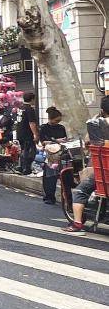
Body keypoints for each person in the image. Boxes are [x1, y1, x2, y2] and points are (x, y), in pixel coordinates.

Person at [66, 95, 109, 234]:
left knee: (80, 191)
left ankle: (77, 223)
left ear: (102, 110)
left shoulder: (97, 124)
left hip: (105, 173)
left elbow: (87, 142)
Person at [38, 107, 68, 206]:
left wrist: (64, 141)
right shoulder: (44, 128)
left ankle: (66, 198)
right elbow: (43, 142)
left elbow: (65, 138)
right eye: (56, 120)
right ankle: (49, 197)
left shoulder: (61, 127)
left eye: (59, 120)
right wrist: (55, 140)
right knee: (50, 176)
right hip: (50, 154)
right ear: (50, 119)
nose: (58, 122)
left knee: (64, 175)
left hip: (61, 153)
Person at [17, 91, 40, 174]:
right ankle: (26, 169)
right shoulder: (30, 109)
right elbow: (32, 123)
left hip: (20, 133)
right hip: (27, 133)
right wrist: (35, 134)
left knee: (23, 150)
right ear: (32, 99)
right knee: (30, 151)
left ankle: (21, 167)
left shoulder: (20, 108)